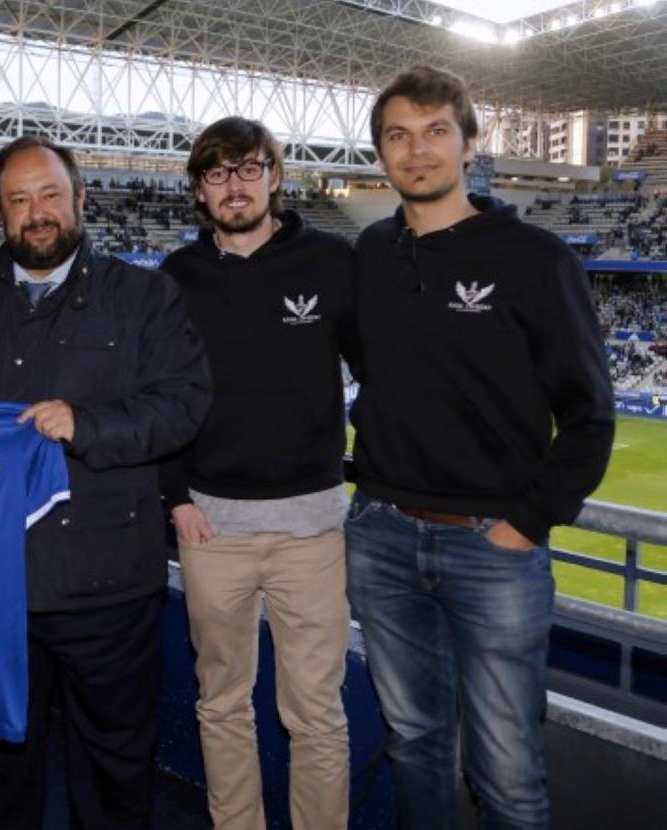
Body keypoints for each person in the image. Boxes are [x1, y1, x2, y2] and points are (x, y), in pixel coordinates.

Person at [0, 135, 211, 829]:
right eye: (19, 200)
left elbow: (183, 404)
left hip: (108, 585)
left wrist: (87, 425)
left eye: (50, 194)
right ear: (0, 213)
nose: (38, 212)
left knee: (115, 768)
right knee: (4, 766)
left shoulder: (144, 296)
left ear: (80, 199)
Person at [346, 65, 615, 829]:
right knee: (414, 745)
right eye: (398, 135)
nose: (417, 150)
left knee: (506, 775)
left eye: (436, 132)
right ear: (381, 153)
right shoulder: (367, 253)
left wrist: (522, 525)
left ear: (471, 143)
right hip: (383, 537)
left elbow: (591, 414)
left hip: (491, 549)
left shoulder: (535, 258)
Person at [161, 117, 355, 830]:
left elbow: (384, 377)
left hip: (311, 528)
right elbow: (164, 395)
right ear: (199, 191)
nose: (234, 185)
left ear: (275, 176)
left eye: (248, 169)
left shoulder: (333, 262)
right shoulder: (178, 278)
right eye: (217, 173)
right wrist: (174, 496)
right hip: (213, 527)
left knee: (316, 714)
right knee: (221, 704)